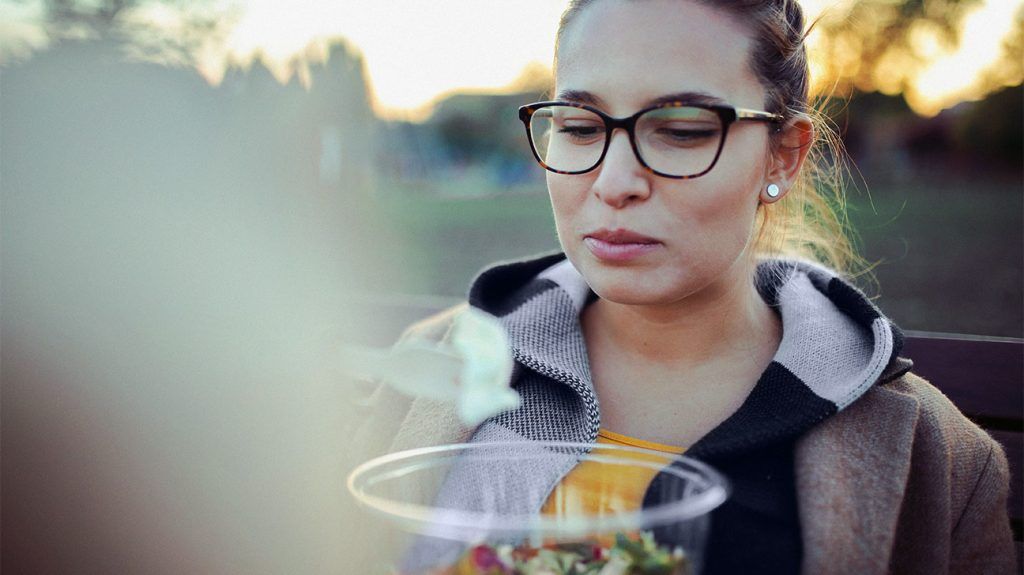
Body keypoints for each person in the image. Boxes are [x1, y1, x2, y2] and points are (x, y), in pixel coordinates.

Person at [351, 0, 1016, 573]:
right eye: (579, 128)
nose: (613, 182)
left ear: (782, 154)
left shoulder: (934, 455)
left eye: (680, 131)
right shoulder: (435, 364)